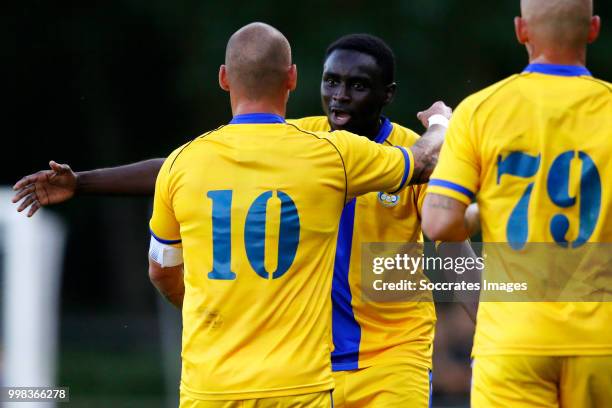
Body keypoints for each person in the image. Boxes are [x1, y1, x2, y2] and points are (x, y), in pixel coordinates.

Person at [13, 33, 454, 407]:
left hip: (390, 358)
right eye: (332, 81)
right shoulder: (310, 143)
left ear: (387, 93)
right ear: (298, 80)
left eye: (356, 85)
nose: (340, 94)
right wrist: (84, 182)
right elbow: (182, 168)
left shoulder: (357, 152)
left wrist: (489, 329)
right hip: (310, 366)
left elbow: (453, 247)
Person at [421, 1, 611, 407]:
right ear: (592, 29)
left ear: (521, 30)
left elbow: (437, 223)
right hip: (601, 342)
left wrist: (477, 212)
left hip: (511, 341)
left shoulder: (480, 110)